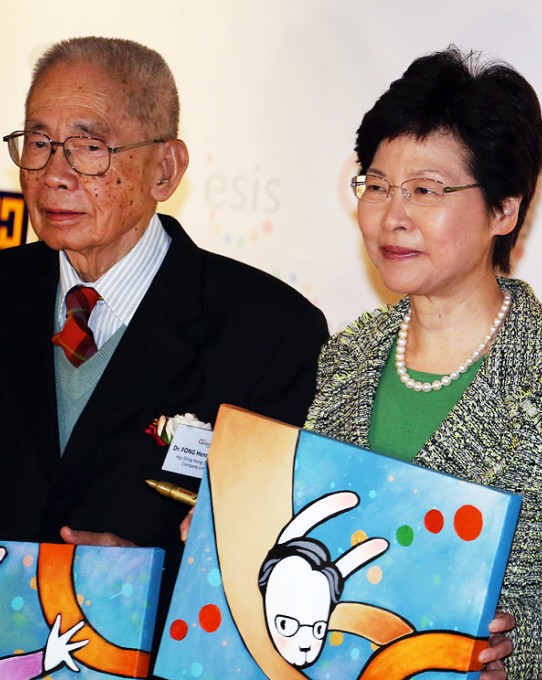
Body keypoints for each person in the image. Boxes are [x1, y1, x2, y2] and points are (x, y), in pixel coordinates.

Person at [304, 47, 542, 678]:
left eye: (425, 190)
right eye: (376, 186)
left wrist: (512, 664)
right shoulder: (345, 356)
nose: (392, 215)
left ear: (503, 210)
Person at [0, 36, 328, 636]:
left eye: (89, 148)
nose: (52, 174)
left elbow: (273, 561)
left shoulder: (269, 331)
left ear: (166, 169)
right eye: (38, 143)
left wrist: (147, 584)